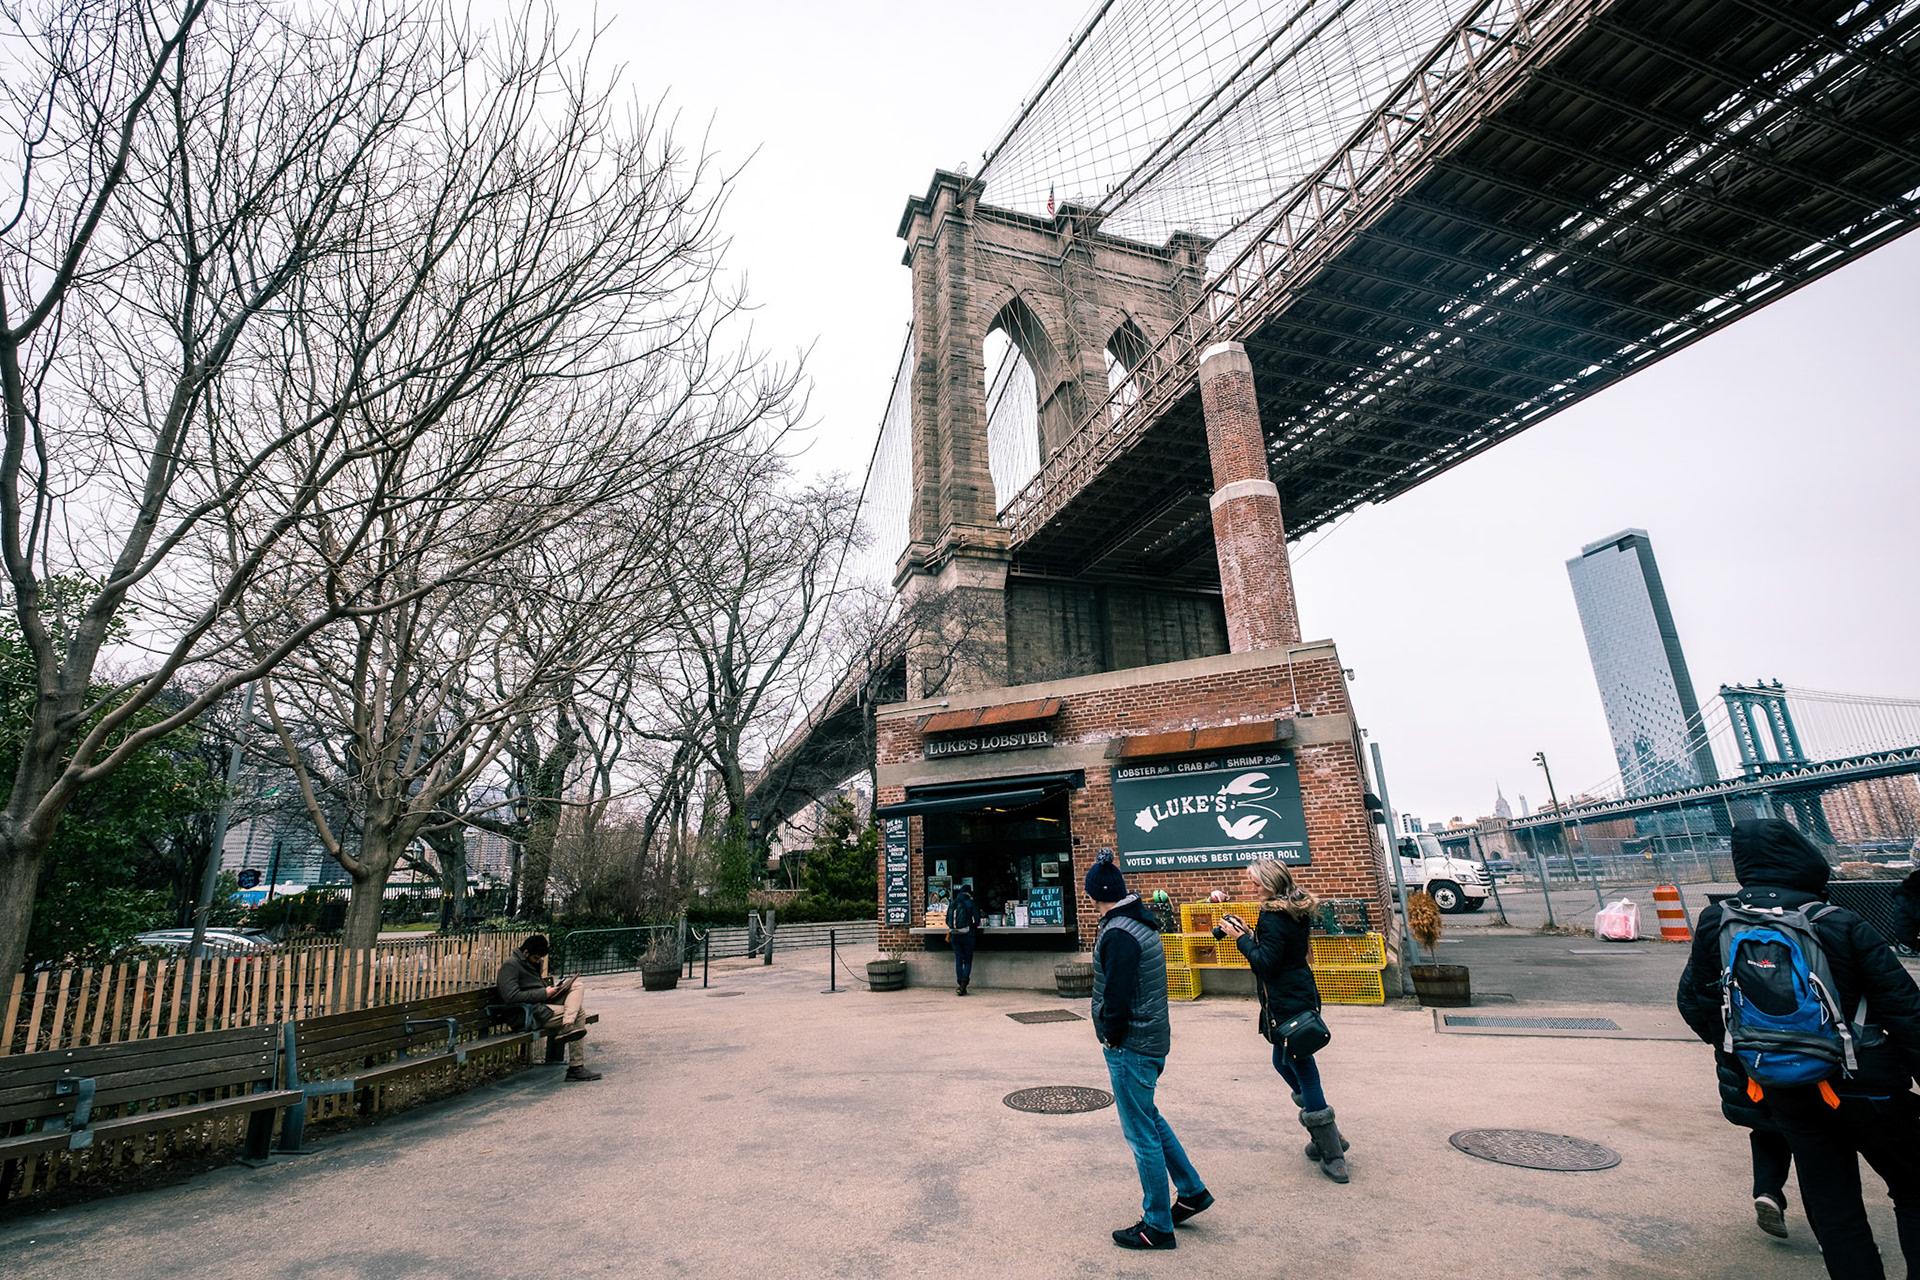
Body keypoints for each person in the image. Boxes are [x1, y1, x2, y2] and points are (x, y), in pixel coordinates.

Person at [1677, 818, 1920, 1277]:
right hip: (1868, 1086)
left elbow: (1694, 1002)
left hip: (1786, 1089)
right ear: (1804, 859)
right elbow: (1907, 1013)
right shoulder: (1840, 922)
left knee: (1834, 1209)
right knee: (1912, 1190)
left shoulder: (1718, 921)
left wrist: (1749, 1055)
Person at [1086, 850, 1212, 1250]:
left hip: (1132, 1045)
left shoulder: (1119, 933)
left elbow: (1118, 995)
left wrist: (1111, 1034)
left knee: (1140, 1133)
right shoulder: (1140, 923)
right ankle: (1191, 1190)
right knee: (1150, 1118)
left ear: (1094, 894)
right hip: (1151, 1039)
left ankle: (1156, 1225)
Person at [1222, 858, 1350, 1183]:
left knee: (1301, 1065)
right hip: (1297, 993)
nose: (1252, 888)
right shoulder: (1293, 909)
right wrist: (1250, 933)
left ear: (1271, 883)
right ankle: (1325, 1134)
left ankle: (1332, 1151)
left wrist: (1241, 940)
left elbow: (1265, 964)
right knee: (1284, 1062)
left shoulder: (1274, 915)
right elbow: (1281, 951)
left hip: (1286, 1000)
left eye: (1256, 883)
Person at [496, 934, 601, 1081]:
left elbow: (531, 988)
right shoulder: (511, 966)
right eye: (536, 958)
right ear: (526, 953)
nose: (538, 962)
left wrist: (554, 990)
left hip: (540, 1005)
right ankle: (575, 1068)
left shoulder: (528, 963)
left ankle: (567, 1024)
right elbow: (510, 997)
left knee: (577, 985)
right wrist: (544, 993)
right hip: (528, 1014)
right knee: (579, 1013)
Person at [948, 883, 982, 996]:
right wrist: (972, 926)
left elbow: (947, 920)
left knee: (959, 959)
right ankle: (963, 985)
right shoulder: (970, 903)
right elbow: (977, 920)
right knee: (967, 960)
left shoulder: (953, 902)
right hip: (968, 935)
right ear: (968, 893)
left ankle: (960, 984)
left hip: (954, 935)